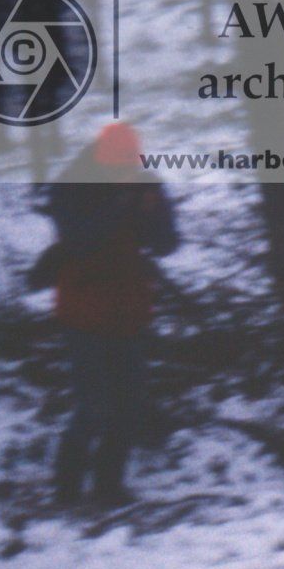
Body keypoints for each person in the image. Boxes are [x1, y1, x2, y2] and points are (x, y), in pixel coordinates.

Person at [46, 122, 178, 507]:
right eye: (121, 165)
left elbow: (167, 243)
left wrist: (150, 214)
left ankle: (109, 487)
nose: (128, 171)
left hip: (129, 310)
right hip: (83, 309)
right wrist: (119, 205)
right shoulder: (72, 185)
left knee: (129, 405)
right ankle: (66, 491)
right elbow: (78, 239)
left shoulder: (145, 182)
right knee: (92, 406)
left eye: (131, 164)